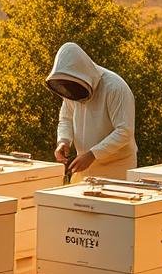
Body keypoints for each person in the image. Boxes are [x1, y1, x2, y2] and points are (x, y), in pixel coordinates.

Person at [45, 42, 137, 180]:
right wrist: (63, 141)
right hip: (83, 165)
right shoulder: (72, 85)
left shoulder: (115, 87)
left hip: (117, 168)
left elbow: (124, 131)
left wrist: (92, 154)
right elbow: (66, 119)